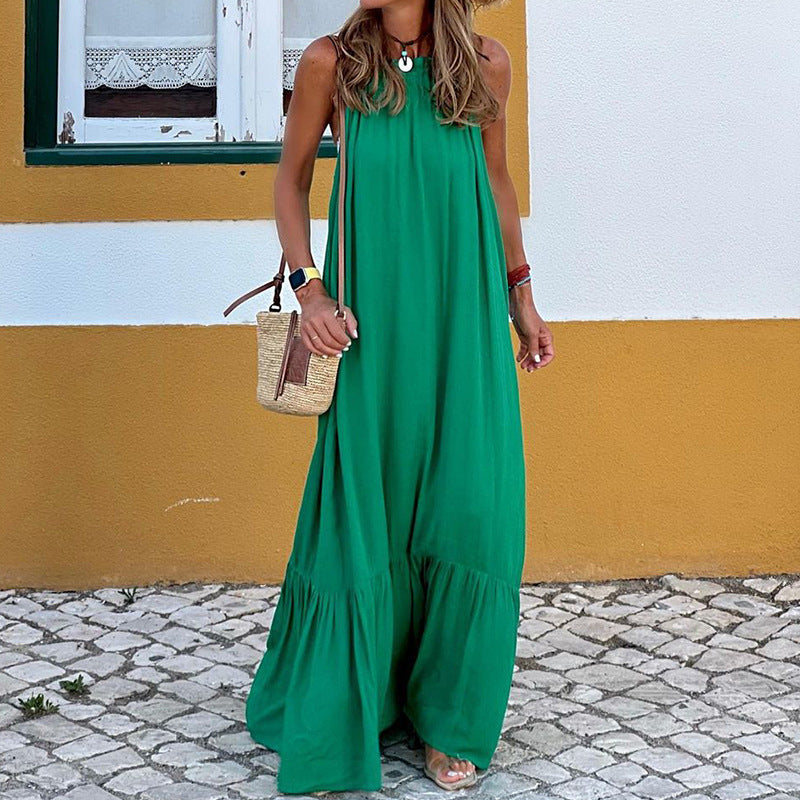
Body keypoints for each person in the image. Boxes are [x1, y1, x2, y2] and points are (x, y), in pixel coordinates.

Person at [245, 0, 554, 793]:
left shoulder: (485, 65)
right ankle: (358, 699)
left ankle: (450, 714)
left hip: (463, 318)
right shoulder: (332, 64)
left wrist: (520, 294)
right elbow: (290, 181)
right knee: (365, 510)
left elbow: (495, 179)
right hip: (370, 326)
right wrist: (308, 290)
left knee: (472, 509)